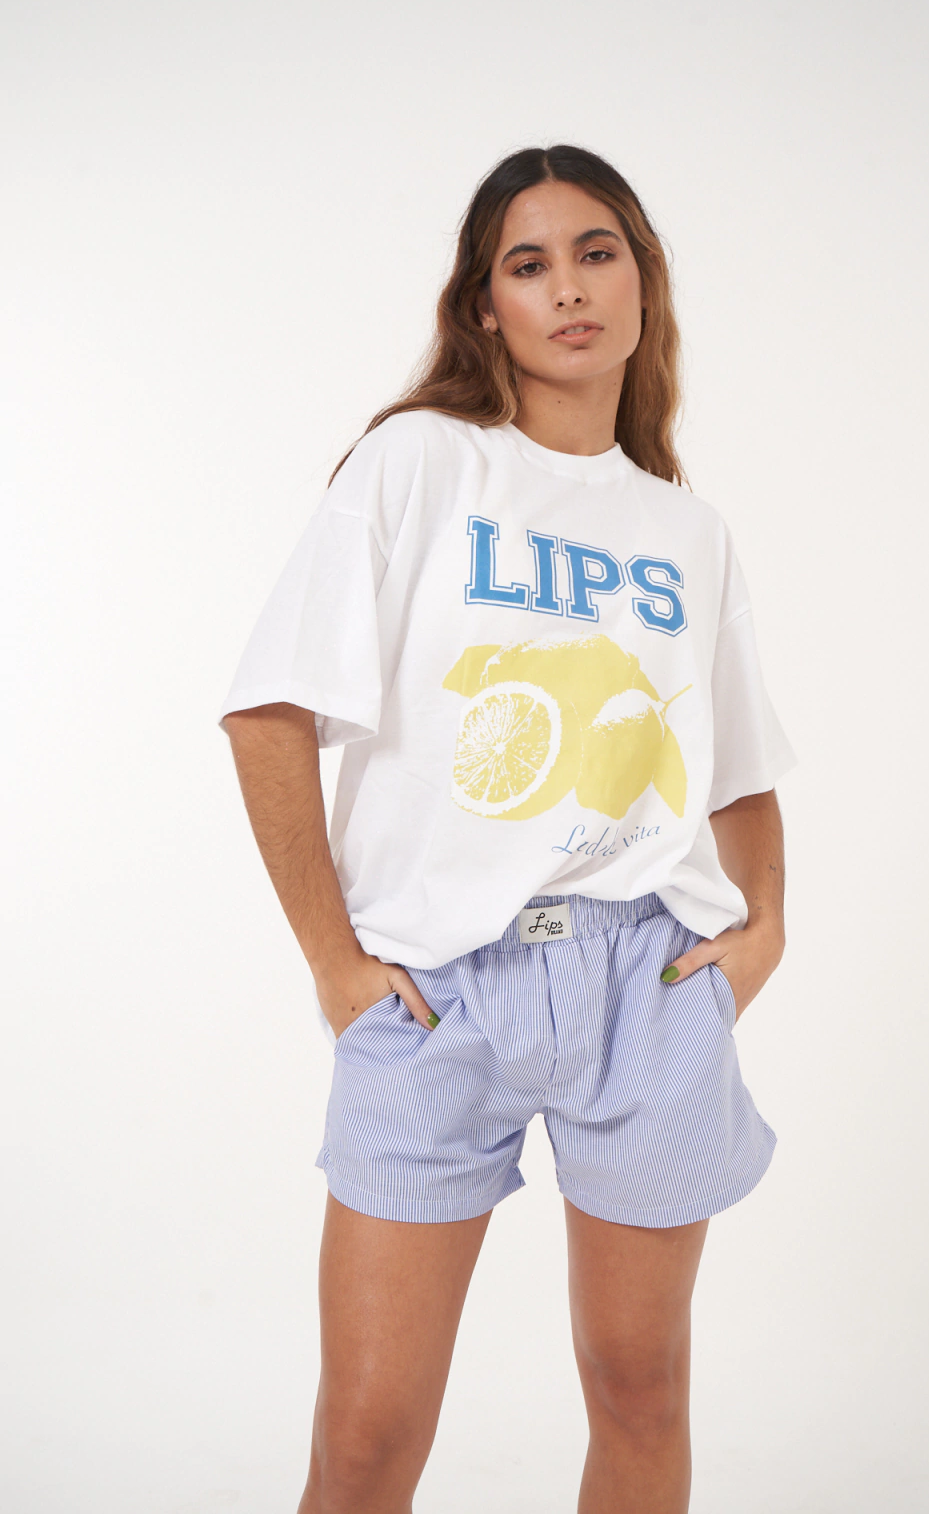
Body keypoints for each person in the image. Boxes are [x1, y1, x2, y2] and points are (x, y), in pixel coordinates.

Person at [217, 143, 798, 1514]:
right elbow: (267, 715)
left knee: (642, 1390)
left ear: (643, 279)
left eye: (597, 253)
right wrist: (334, 963)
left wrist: (765, 929)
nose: (569, 290)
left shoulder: (687, 531)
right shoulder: (419, 463)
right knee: (368, 1432)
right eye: (527, 266)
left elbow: (739, 766)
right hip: (436, 994)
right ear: (486, 306)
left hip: (646, 984)